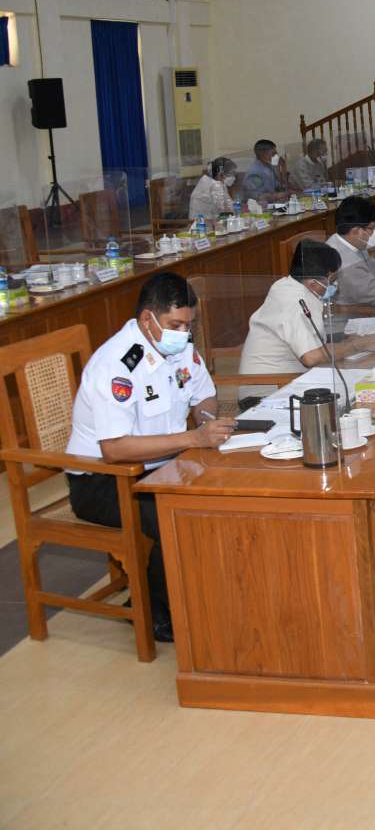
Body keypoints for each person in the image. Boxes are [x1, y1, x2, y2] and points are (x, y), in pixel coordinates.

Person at [65, 272, 237, 642]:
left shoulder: (179, 347)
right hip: (103, 480)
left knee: (227, 496)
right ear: (148, 319)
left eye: (189, 325)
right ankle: (156, 610)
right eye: (176, 325)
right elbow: (114, 449)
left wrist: (206, 420)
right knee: (175, 514)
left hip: (163, 465)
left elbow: (203, 394)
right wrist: (194, 437)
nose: (184, 333)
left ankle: (208, 593)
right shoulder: (117, 365)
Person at [238, 240, 375, 395]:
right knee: (364, 387)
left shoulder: (287, 286)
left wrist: (349, 341)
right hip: (268, 392)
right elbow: (311, 357)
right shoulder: (295, 301)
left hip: (287, 381)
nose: (334, 285)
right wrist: (358, 345)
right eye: (332, 280)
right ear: (313, 283)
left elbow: (312, 341)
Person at [188, 156, 236, 221]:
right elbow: (226, 212)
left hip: (209, 221)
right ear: (220, 173)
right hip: (202, 224)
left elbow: (229, 204)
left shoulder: (215, 182)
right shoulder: (214, 185)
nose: (233, 177)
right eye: (231, 174)